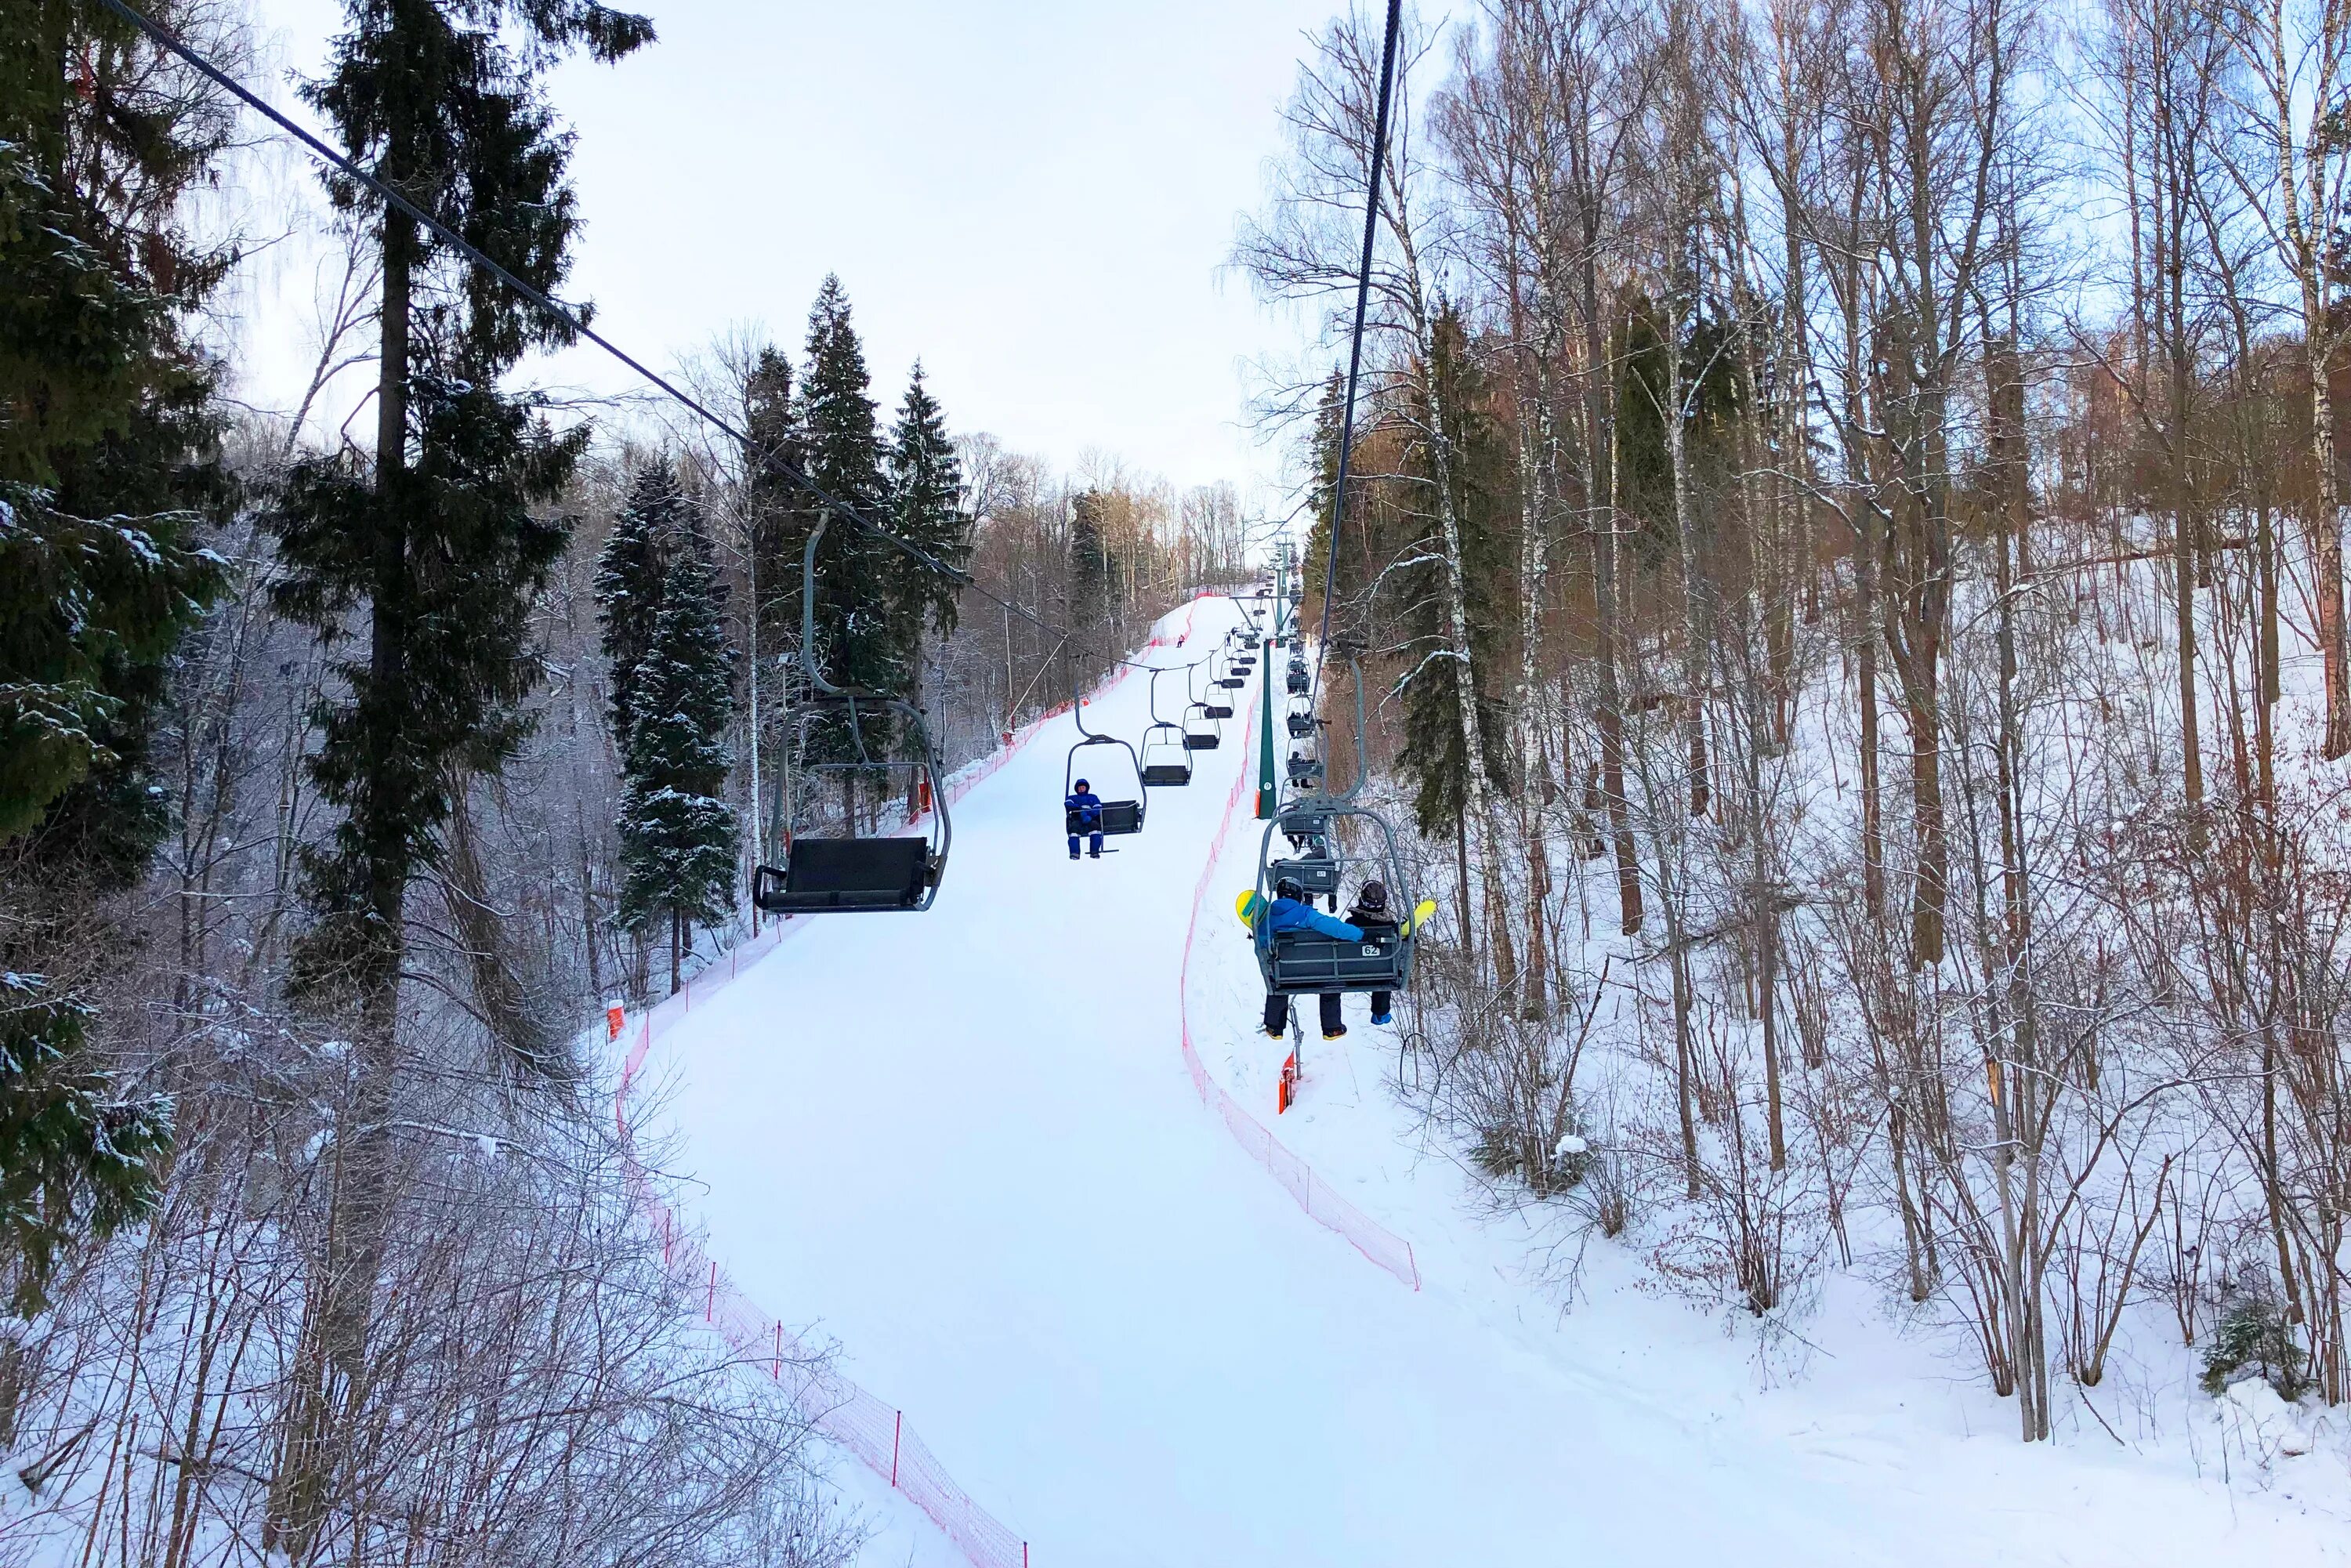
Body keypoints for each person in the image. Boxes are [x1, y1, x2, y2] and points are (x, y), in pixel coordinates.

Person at [1238, 875, 1362, 1038]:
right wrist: (1359, 934)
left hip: (1285, 976)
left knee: (1276, 980)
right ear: (1299, 895)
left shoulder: (1264, 921)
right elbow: (1335, 928)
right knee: (1332, 980)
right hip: (1315, 973)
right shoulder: (1305, 914)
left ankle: (1274, 1027)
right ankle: (1332, 1028)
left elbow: (1260, 952)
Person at [1345, 881, 1400, 1026]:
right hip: (1382, 975)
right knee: (1384, 970)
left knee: (1380, 969)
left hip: (1351, 975)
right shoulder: (1390, 927)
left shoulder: (1350, 924)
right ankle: (1380, 1013)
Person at [1065, 777, 1104, 860]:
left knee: (1095, 828)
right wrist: (1079, 809)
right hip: (1077, 818)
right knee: (1074, 829)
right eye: (1079, 788)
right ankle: (1075, 853)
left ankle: (1094, 851)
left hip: (1090, 818)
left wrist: (1089, 815)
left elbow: (1098, 807)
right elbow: (1068, 803)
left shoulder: (1092, 797)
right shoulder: (1074, 798)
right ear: (1077, 789)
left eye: (1083, 787)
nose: (1081, 789)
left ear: (1086, 788)